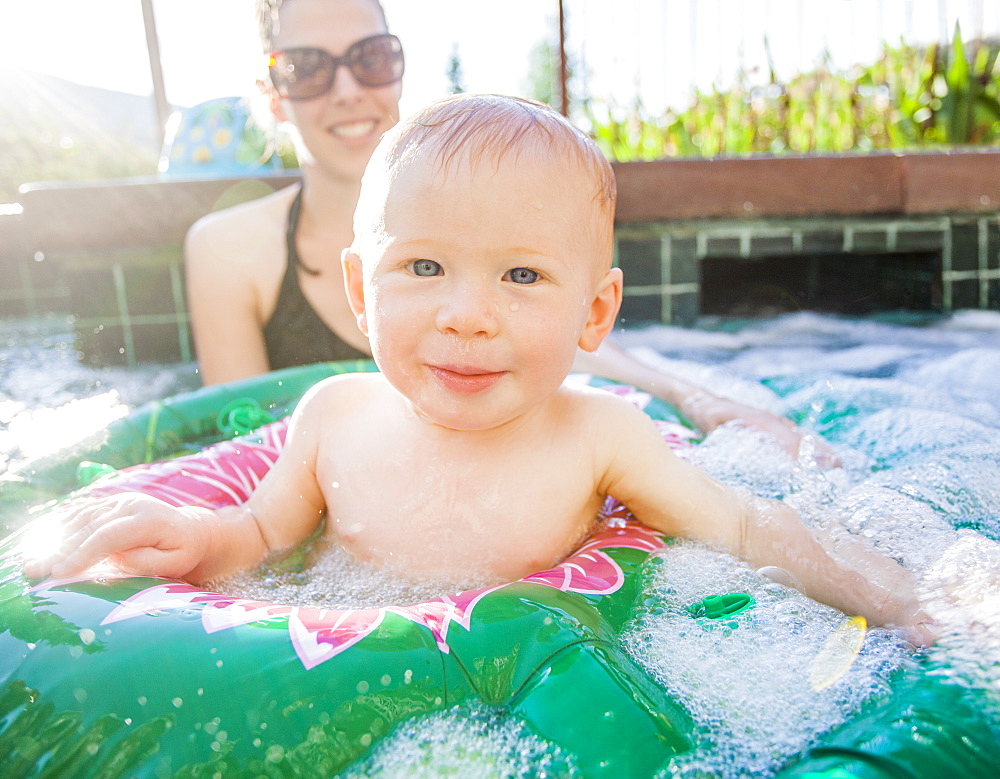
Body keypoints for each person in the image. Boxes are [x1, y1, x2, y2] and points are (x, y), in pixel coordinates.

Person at [24, 95, 927, 643]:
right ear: (361, 290)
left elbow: (747, 526)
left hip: (525, 680)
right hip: (351, 663)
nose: (466, 313)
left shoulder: (601, 437)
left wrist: (911, 598)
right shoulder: (333, 415)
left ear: (596, 313)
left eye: (523, 275)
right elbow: (258, 539)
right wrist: (193, 537)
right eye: (423, 268)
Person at [183, 0, 826, 462]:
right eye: (308, 69)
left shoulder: (497, 205)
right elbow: (236, 442)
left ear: (399, 69)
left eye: (371, 58)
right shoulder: (229, 250)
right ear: (272, 94)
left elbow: (569, 331)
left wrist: (705, 403)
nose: (348, 89)